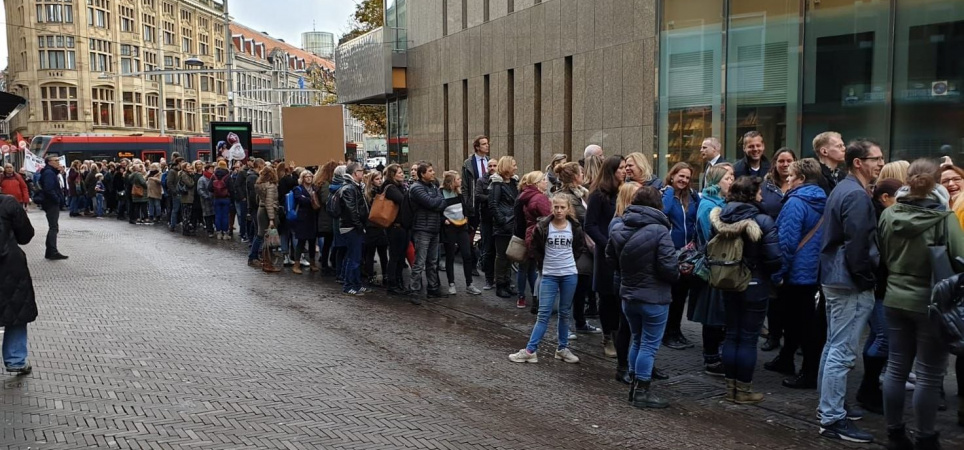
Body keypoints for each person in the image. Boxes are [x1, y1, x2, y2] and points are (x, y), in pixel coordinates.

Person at [877, 159, 964, 450]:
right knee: (928, 373)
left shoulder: (889, 214)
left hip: (894, 297)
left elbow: (883, 253)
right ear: (935, 183)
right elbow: (959, 259)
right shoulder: (944, 218)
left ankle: (894, 434)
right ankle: (926, 437)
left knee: (896, 367)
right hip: (930, 302)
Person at [816, 138, 884, 443]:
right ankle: (831, 417)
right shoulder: (855, 194)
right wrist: (866, 278)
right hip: (847, 281)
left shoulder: (844, 189)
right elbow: (858, 244)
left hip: (836, 277)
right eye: (876, 159)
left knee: (833, 346)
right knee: (840, 351)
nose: (881, 163)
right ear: (858, 162)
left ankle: (830, 409)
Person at [606, 186, 680, 409]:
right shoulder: (659, 231)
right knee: (649, 344)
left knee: (637, 339)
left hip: (628, 295)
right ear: (658, 205)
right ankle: (642, 392)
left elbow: (610, 257)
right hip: (654, 297)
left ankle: (634, 385)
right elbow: (669, 268)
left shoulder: (619, 226)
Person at [711, 176, 780, 404]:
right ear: (751, 194)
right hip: (755, 283)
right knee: (749, 338)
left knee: (732, 334)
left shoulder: (721, 217)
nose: (762, 195)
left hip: (727, 281)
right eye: (759, 192)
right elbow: (774, 257)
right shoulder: (762, 220)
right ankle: (743, 391)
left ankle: (729, 388)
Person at [767, 159, 827, 390]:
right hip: (813, 270)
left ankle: (807, 372)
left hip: (796, 272)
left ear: (801, 179)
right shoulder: (822, 199)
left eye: (791, 176)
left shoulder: (796, 202)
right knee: (799, 320)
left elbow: (787, 243)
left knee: (800, 323)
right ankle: (786, 358)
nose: (787, 179)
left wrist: (778, 273)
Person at [508, 195, 587, 365]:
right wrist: (542, 265)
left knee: (565, 313)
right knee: (543, 314)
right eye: (556, 207)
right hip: (549, 274)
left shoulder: (574, 227)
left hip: (569, 274)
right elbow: (535, 247)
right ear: (552, 208)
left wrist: (570, 262)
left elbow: (578, 247)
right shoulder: (543, 226)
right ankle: (530, 350)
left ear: (568, 209)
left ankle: (562, 348)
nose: (559, 211)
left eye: (562, 207)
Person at [692, 163, 734, 377]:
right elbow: (713, 239)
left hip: (719, 266)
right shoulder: (709, 206)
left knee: (718, 314)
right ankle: (711, 359)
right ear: (717, 182)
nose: (732, 181)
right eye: (728, 178)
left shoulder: (720, 202)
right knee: (713, 315)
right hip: (714, 267)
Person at [551, 162, 600, 335]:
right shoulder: (568, 197)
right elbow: (584, 218)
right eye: (580, 172)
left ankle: (579, 322)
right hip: (575, 247)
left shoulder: (579, 194)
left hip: (582, 247)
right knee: (572, 287)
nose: (583, 174)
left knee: (581, 286)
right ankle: (566, 327)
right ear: (574, 177)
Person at [586, 155, 627, 358]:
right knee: (607, 296)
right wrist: (606, 244)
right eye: (620, 168)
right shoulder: (599, 195)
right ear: (612, 171)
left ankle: (620, 334)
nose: (624, 171)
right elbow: (590, 225)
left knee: (620, 296)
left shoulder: (625, 192)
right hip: (607, 254)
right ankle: (608, 336)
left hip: (624, 253)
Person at [759, 148, 796, 353]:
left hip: (794, 246)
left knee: (791, 296)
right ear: (774, 163)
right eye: (781, 160)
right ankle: (773, 335)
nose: (785, 164)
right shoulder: (766, 187)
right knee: (773, 295)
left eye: (789, 160)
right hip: (771, 245)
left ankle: (792, 336)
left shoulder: (799, 185)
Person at [661, 162, 699, 350]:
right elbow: (663, 212)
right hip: (670, 252)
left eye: (687, 177)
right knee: (672, 294)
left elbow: (698, 216)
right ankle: (667, 333)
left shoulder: (691, 197)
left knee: (681, 295)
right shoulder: (665, 195)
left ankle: (677, 331)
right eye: (680, 176)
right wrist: (668, 191)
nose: (684, 180)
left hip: (688, 253)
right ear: (672, 175)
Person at [0, 193, 36, 375]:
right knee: (15, 312)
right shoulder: (8, 202)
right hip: (9, 266)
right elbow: (25, 235)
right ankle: (15, 360)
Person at [409, 162, 447, 300]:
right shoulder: (416, 188)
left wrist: (435, 202)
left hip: (434, 228)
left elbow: (442, 203)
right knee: (419, 262)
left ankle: (433, 288)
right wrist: (436, 201)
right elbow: (431, 203)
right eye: (430, 171)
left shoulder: (433, 186)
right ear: (422, 174)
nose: (433, 173)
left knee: (432, 262)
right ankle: (414, 290)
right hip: (422, 229)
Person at [440, 170, 481, 296]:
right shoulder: (441, 193)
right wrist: (444, 220)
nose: (460, 180)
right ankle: (451, 283)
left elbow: (464, 207)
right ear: (451, 181)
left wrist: (467, 216)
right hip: (450, 228)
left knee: (467, 254)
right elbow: (437, 210)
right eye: (458, 179)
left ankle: (469, 284)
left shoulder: (459, 193)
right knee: (450, 256)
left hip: (462, 226)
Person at [516, 171, 551, 310]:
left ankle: (525, 297)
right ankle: (537, 299)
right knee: (538, 270)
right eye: (543, 179)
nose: (546, 182)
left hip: (530, 234)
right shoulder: (539, 198)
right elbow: (550, 217)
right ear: (537, 183)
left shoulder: (527, 195)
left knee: (530, 268)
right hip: (538, 236)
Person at [381, 164, 414, 299]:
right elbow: (403, 200)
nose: (402, 174)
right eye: (399, 173)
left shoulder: (401, 187)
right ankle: (392, 284)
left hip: (404, 226)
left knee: (401, 257)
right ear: (392, 175)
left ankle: (399, 282)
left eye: (402, 172)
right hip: (395, 227)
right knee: (395, 256)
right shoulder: (390, 188)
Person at [490, 156, 520, 299]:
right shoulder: (496, 184)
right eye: (513, 165)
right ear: (507, 167)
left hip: (512, 223)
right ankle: (500, 285)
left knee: (509, 256)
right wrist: (502, 221)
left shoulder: (514, 183)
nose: (516, 167)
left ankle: (507, 283)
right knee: (502, 256)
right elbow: (493, 205)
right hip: (503, 226)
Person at [339, 163, 370, 295]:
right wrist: (359, 226)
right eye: (360, 171)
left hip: (353, 226)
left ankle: (356, 284)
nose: (362, 173)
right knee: (354, 257)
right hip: (351, 227)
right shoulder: (349, 188)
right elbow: (351, 211)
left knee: (354, 256)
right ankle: (349, 285)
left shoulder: (354, 187)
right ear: (354, 173)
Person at [361, 171, 388, 284]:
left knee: (382, 253)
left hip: (379, 226)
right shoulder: (370, 193)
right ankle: (371, 275)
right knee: (371, 253)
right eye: (377, 179)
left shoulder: (381, 191)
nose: (380, 181)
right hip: (373, 225)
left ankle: (384, 275)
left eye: (381, 178)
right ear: (372, 180)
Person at [291, 170, 320, 274]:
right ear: (302, 178)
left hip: (312, 217)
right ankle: (296, 264)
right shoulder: (297, 188)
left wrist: (309, 198)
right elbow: (300, 199)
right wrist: (311, 199)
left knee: (312, 241)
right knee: (301, 242)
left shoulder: (315, 188)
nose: (309, 178)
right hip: (302, 218)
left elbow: (318, 199)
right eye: (306, 177)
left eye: (310, 177)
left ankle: (313, 263)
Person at [38, 155, 66, 260]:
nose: (58, 162)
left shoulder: (50, 172)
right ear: (49, 162)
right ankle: (52, 251)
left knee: (53, 227)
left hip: (50, 202)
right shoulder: (49, 173)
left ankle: (50, 251)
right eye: (56, 160)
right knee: (53, 227)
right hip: (51, 203)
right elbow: (49, 189)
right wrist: (57, 199)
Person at [313, 161, 339, 275]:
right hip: (327, 217)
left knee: (329, 242)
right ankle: (326, 263)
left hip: (325, 216)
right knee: (330, 241)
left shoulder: (322, 182)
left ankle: (326, 263)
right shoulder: (326, 184)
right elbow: (325, 200)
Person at [477, 159, 498, 290]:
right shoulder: (481, 181)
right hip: (486, 220)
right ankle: (489, 280)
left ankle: (502, 279)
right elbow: (478, 196)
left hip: (499, 221)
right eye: (489, 166)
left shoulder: (500, 181)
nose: (492, 168)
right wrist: (492, 198)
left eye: (494, 165)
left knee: (501, 252)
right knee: (488, 250)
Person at [461, 135, 490, 232]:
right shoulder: (468, 163)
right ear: (477, 147)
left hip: (487, 200)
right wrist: (466, 204)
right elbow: (464, 187)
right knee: (472, 228)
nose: (487, 146)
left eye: (487, 143)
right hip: (474, 200)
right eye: (484, 144)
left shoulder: (490, 161)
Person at [256, 165, 281, 273]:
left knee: (264, 238)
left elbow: (259, 199)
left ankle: (266, 262)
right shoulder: (271, 186)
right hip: (267, 213)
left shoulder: (260, 185)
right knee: (269, 240)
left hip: (261, 210)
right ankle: (268, 264)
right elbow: (269, 203)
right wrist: (271, 218)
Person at [211, 160, 233, 239]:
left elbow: (209, 187)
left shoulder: (214, 175)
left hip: (216, 198)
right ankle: (225, 233)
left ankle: (219, 233)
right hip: (226, 198)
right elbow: (231, 188)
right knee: (225, 216)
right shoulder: (228, 176)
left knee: (217, 215)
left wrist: (215, 191)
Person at [197, 163, 216, 237]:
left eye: (213, 169)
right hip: (206, 201)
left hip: (213, 199)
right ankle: (210, 231)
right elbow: (200, 190)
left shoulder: (213, 177)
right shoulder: (202, 179)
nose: (212, 170)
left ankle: (215, 229)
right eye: (211, 169)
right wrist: (206, 196)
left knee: (214, 215)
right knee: (208, 216)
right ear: (207, 169)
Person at [178, 162, 197, 236]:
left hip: (189, 197)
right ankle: (185, 229)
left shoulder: (187, 175)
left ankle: (187, 228)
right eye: (188, 166)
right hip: (186, 197)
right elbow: (190, 184)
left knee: (188, 214)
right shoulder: (184, 175)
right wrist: (193, 179)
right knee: (186, 214)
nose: (190, 167)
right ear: (185, 168)